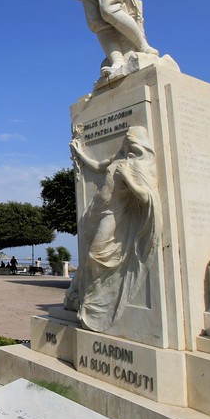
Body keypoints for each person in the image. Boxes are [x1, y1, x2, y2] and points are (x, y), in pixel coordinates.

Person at [64, 126, 160, 331]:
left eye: (130, 139)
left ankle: (93, 300)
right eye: (126, 139)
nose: (126, 142)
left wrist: (128, 178)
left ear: (138, 143)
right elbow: (99, 166)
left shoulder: (136, 166)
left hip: (113, 214)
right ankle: (81, 296)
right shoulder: (118, 158)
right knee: (87, 255)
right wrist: (80, 153)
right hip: (96, 210)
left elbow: (145, 197)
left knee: (95, 255)